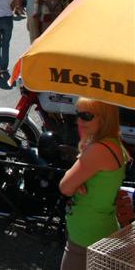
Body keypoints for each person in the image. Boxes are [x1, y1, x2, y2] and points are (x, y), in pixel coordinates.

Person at [60, 98, 129, 270]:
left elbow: (65, 187)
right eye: (77, 115)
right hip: (97, 230)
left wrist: (76, 181)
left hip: (86, 237)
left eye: (86, 116)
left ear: (105, 118)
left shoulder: (98, 150)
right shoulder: (113, 143)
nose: (79, 121)